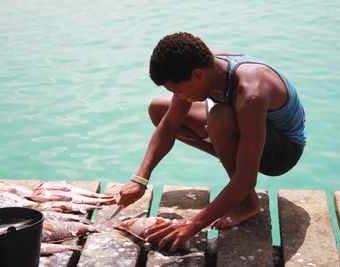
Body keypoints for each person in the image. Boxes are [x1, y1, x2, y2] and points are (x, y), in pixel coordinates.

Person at [118, 32, 306, 252]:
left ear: (197, 75)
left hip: (283, 151)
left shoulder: (251, 92)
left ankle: (248, 203)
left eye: (178, 90)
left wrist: (193, 224)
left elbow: (247, 179)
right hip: (249, 128)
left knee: (220, 117)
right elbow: (169, 126)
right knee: (159, 110)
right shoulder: (205, 64)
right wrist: (140, 178)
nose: (179, 96)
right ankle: (231, 158)